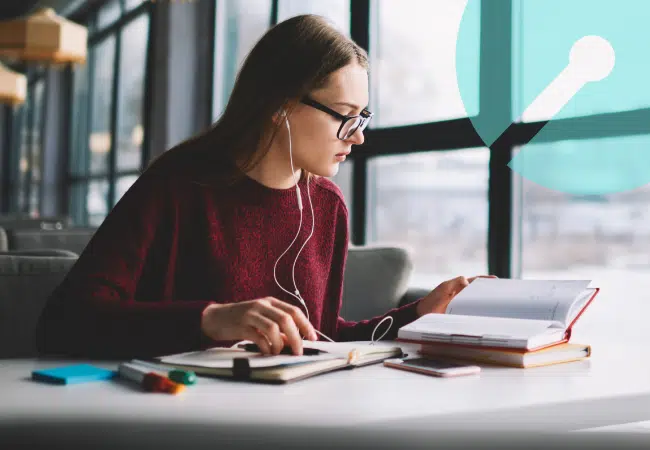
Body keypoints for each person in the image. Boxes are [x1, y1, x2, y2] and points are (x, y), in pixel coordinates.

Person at [35, 14, 493, 360]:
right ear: (280, 105)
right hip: (179, 417)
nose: (358, 136)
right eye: (345, 115)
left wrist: (417, 314)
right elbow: (66, 322)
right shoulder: (177, 184)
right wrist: (212, 319)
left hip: (287, 419)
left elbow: (322, 337)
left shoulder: (325, 206)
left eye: (363, 116)